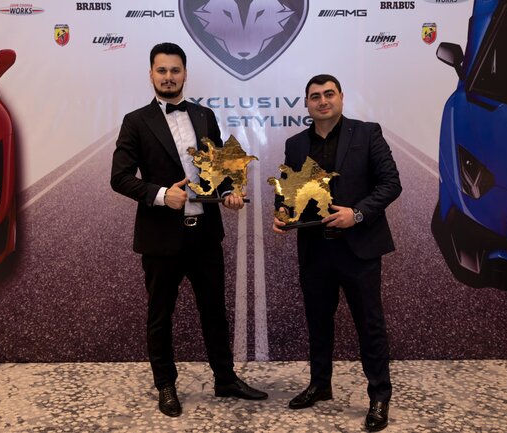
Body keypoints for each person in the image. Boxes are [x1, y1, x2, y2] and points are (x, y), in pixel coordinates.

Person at [111, 42, 268, 418]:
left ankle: (225, 379)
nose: (169, 77)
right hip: (161, 238)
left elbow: (220, 170)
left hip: (205, 235)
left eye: (175, 70)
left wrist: (228, 192)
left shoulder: (204, 116)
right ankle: (165, 386)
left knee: (214, 311)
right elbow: (119, 177)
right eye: (162, 70)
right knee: (160, 315)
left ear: (185, 74)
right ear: (151, 74)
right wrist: (162, 195)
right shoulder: (135, 121)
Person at [272, 74, 401, 431]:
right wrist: (282, 212)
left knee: (369, 325)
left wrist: (355, 214)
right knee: (318, 322)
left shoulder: (367, 133)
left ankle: (379, 396)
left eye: (329, 94)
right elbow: (288, 191)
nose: (323, 101)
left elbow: (391, 183)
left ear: (341, 97)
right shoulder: (296, 144)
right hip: (315, 249)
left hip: (359, 248)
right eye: (315, 96)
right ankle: (320, 385)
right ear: (307, 104)